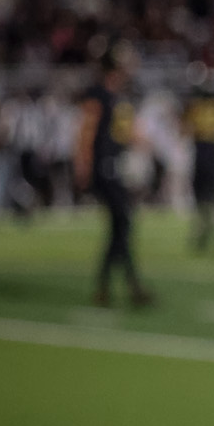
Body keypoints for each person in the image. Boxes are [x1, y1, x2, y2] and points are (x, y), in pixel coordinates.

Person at [74, 48, 153, 308]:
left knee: (121, 226)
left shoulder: (118, 97)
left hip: (115, 165)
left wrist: (139, 140)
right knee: (123, 223)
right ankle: (128, 286)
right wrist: (83, 167)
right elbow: (87, 131)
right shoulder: (99, 95)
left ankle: (112, 286)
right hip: (104, 167)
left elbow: (122, 132)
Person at [183, 75, 214, 253]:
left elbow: (186, 130)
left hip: (202, 151)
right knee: (211, 196)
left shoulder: (196, 108)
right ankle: (211, 232)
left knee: (201, 197)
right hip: (211, 152)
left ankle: (204, 231)